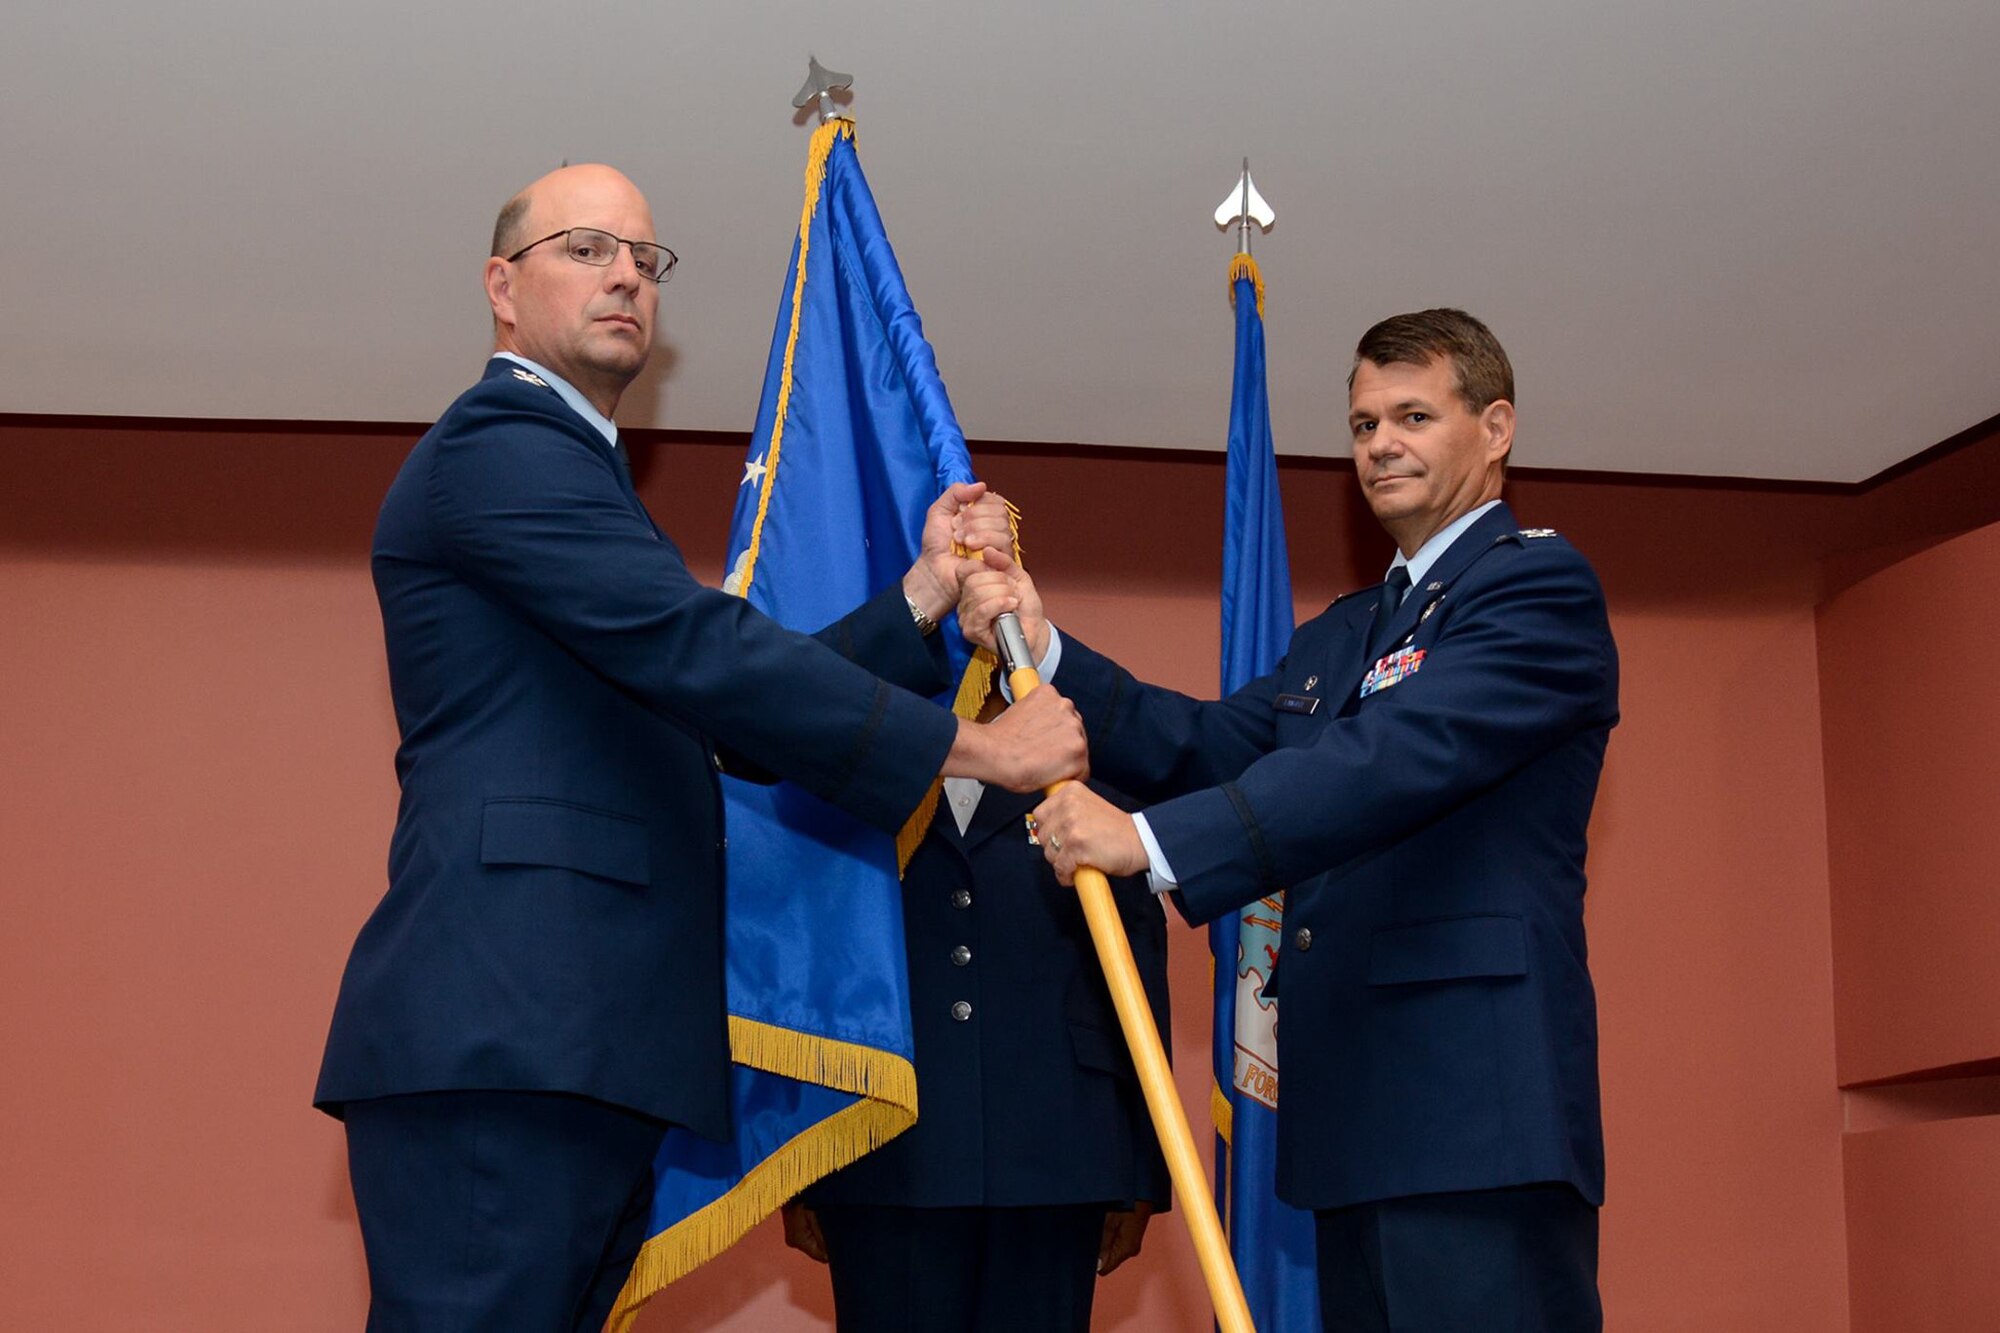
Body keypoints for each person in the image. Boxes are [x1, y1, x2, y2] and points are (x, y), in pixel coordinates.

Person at [312, 163, 1087, 1332]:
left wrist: (920, 595)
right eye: (585, 249)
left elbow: (713, 711)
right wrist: (974, 750)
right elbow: (701, 650)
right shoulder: (497, 448)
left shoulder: (576, 478)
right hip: (508, 1030)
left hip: (575, 1039)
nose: (626, 274)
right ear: (500, 288)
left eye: (644, 259)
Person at [968, 309, 1618, 1331]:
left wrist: (1145, 843)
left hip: (1474, 1117)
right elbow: (1201, 743)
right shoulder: (1344, 632)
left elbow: (1388, 761)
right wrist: (1048, 652)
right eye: (1361, 424)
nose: (1379, 445)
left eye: (1412, 415)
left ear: (1494, 429)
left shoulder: (1534, 588)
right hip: (1353, 1120)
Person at [779, 688, 1172, 1333]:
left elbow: (1135, 967)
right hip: (882, 1148)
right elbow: (807, 967)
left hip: (1059, 1156)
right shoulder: (855, 759)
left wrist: (1140, 1171)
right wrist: (798, 1166)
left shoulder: (1086, 756)